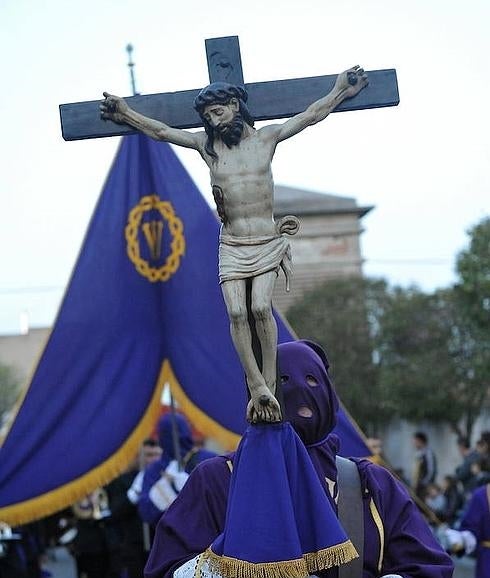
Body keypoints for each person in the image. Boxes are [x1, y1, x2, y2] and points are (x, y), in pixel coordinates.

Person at [100, 67, 368, 424]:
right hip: (232, 242)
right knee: (237, 313)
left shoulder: (266, 139)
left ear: (235, 106)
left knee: (260, 308)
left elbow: (309, 115)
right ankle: (256, 384)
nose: (213, 119)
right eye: (208, 116)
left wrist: (339, 91)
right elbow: (162, 131)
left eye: (218, 111)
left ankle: (269, 382)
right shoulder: (207, 148)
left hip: (265, 239)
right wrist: (125, 113)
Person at [144, 340, 453, 578]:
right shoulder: (215, 480)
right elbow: (167, 570)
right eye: (284, 381)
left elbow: (429, 568)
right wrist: (234, 554)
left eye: (312, 380)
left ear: (329, 394)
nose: (301, 391)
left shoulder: (371, 484)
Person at [138, 413, 216, 528]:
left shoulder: (208, 460)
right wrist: (166, 487)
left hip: (209, 533)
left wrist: (191, 486)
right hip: (171, 535)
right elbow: (146, 512)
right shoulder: (155, 469)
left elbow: (222, 498)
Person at [412, 431, 437, 500]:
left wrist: (424, 483)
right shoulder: (419, 453)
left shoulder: (428, 453)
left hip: (425, 487)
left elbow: (431, 470)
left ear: (420, 441)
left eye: (415, 441)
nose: (414, 443)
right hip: (419, 486)